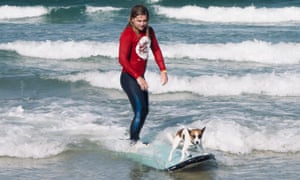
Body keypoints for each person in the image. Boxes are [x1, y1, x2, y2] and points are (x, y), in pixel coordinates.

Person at [118, 5, 168, 144]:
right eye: (139, 20)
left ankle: (134, 138)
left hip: (140, 77)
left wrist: (163, 70)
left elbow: (156, 50)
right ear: (132, 19)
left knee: (144, 111)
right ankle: (133, 142)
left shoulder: (149, 31)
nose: (142, 24)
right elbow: (122, 59)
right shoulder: (128, 34)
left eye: (145, 20)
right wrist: (138, 77)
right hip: (129, 77)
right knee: (140, 111)